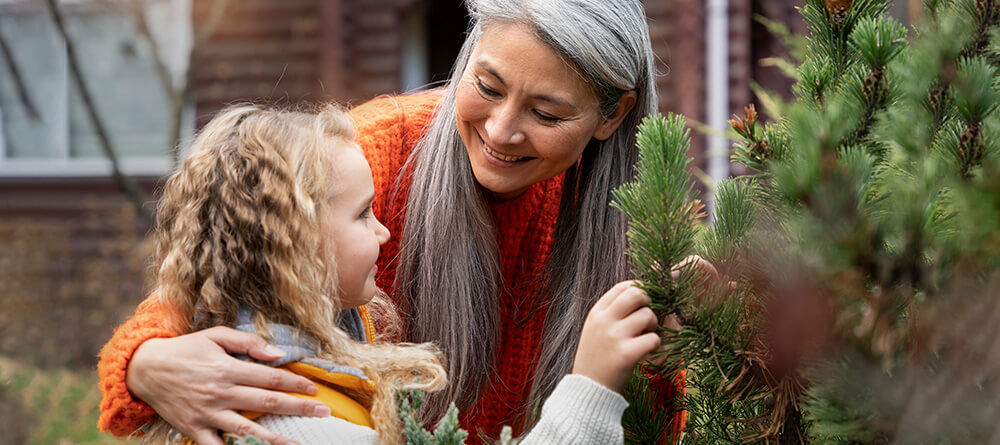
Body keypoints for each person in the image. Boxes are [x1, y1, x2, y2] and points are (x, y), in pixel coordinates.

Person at [97, 0, 698, 443]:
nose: (501, 130)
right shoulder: (368, 159)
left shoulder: (638, 223)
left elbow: (656, 423)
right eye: (487, 86)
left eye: (546, 112)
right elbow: (219, 272)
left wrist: (695, 334)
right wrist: (145, 364)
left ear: (611, 115)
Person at [129, 103, 665, 444]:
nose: (386, 232)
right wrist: (591, 387)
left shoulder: (288, 370)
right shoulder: (286, 418)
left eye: (546, 111)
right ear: (292, 245)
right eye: (364, 214)